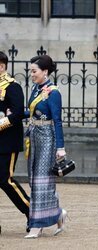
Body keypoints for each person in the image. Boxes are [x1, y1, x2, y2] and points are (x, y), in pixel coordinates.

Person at [24, 55, 67, 238]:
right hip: (34, 138)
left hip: (47, 139)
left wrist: (60, 147)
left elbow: (57, 121)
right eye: (31, 71)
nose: (31, 74)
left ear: (45, 72)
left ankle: (37, 226)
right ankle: (58, 213)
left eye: (34, 71)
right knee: (34, 180)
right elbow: (32, 112)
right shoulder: (35, 89)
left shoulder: (54, 92)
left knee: (42, 181)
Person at [0, 51, 30, 232]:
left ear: (2, 66)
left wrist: (1, 123)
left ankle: (31, 210)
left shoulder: (12, 86)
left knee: (5, 180)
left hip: (6, 141)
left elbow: (18, 113)